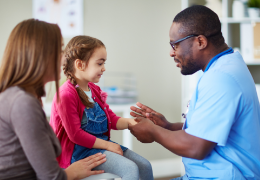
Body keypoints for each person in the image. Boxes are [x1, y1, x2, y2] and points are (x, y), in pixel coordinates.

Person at [129, 5, 260, 180]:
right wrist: (168, 127)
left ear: (200, 42)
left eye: (174, 44)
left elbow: (196, 147)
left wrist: (153, 132)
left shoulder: (220, 78)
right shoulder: (226, 66)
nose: (171, 52)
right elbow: (208, 131)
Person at [0, 19, 107, 180]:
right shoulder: (22, 103)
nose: (64, 58)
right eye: (60, 50)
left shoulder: (19, 97)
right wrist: (72, 172)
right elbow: (51, 177)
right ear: (39, 54)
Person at [49, 35, 153, 180]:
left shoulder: (94, 90)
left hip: (99, 146)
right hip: (78, 152)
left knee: (145, 166)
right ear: (80, 64)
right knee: (130, 169)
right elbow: (75, 135)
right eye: (99, 63)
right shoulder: (66, 94)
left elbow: (111, 119)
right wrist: (108, 146)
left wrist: (131, 123)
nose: (104, 68)